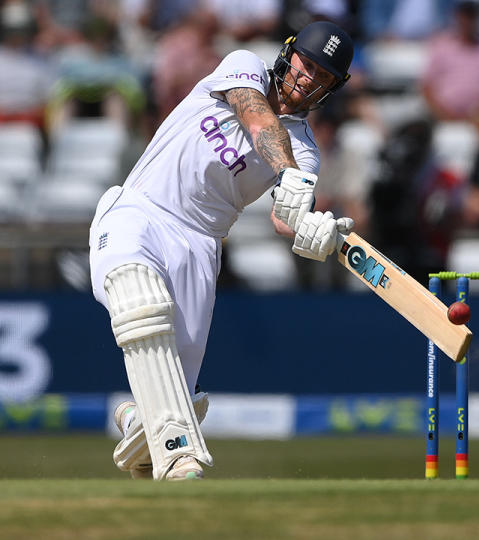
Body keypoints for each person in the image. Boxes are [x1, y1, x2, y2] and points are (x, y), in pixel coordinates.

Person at [87, 21, 355, 480]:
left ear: (332, 88)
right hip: (141, 209)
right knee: (141, 303)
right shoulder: (243, 66)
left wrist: (312, 229)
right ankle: (181, 452)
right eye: (306, 64)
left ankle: (140, 427)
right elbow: (255, 116)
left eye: (322, 75)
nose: (308, 77)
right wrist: (289, 176)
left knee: (172, 398)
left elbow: (283, 216)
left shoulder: (307, 152)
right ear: (288, 56)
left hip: (199, 248)